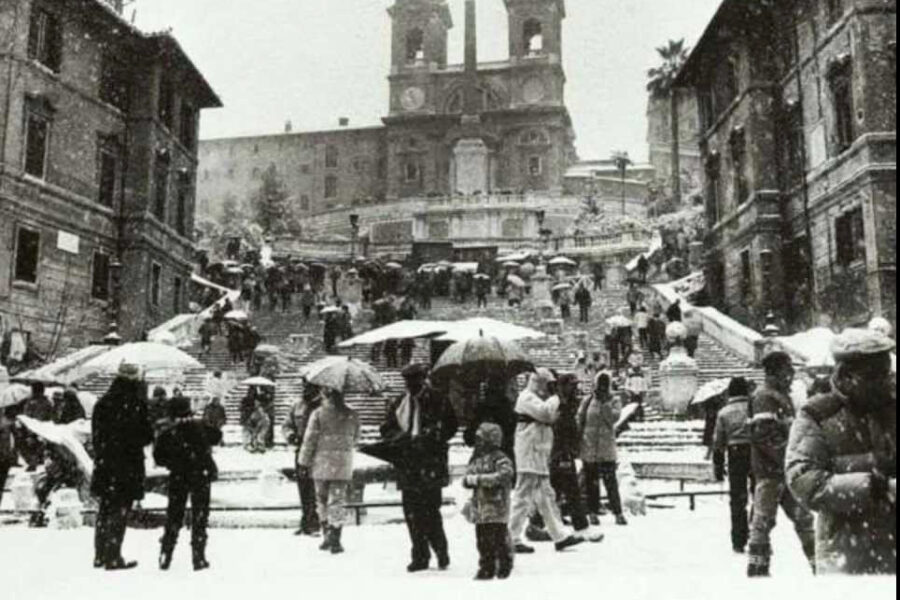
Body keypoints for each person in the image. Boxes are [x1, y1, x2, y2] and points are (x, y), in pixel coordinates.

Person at [786, 329, 896, 575]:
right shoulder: (818, 415)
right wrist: (873, 484)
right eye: (873, 376)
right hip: (846, 552)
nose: (885, 381)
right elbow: (804, 481)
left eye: (887, 372)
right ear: (846, 376)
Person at [380, 364, 458, 572]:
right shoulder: (400, 402)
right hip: (408, 462)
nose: (411, 385)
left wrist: (432, 436)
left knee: (431, 511)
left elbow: (451, 427)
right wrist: (399, 438)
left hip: (430, 462)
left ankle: (441, 550)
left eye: (415, 381)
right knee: (412, 513)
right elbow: (386, 428)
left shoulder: (438, 400)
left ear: (423, 379)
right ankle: (420, 555)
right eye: (408, 382)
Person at [746, 351, 815, 577]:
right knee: (763, 521)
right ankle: (757, 568)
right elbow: (764, 436)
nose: (792, 373)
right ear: (776, 371)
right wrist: (788, 458)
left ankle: (819, 563)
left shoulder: (780, 396)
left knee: (803, 518)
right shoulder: (765, 397)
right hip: (770, 472)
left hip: (784, 471)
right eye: (788, 369)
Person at [508, 369, 584, 554]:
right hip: (529, 453)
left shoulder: (537, 399)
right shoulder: (526, 398)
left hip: (538, 453)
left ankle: (559, 536)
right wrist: (557, 397)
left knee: (546, 496)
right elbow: (545, 414)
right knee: (522, 496)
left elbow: (550, 417)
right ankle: (511, 537)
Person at [91, 363, 153, 570]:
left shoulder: (103, 403)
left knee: (105, 507)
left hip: (105, 462)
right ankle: (113, 556)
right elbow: (145, 436)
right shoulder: (136, 404)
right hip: (127, 464)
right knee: (120, 509)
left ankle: (100, 554)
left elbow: (97, 436)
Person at [154, 395, 222, 571]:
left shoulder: (169, 431)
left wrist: (174, 459)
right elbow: (217, 435)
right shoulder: (200, 427)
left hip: (179, 475)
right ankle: (198, 556)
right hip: (201, 474)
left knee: (174, 515)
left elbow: (159, 457)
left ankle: (166, 553)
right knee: (200, 516)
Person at [298, 388, 360, 555]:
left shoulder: (318, 414)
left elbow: (309, 439)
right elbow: (356, 437)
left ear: (326, 396)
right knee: (338, 500)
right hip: (342, 464)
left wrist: (303, 462)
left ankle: (326, 533)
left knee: (322, 499)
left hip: (321, 463)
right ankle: (336, 535)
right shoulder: (352, 415)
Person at [551, 373, 604, 541]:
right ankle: (580, 526)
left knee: (556, 490)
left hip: (564, 451)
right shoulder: (558, 404)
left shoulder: (570, 403)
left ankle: (538, 522)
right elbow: (560, 429)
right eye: (572, 386)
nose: (575, 389)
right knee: (569, 489)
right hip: (560, 451)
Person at [463, 423, 515, 581]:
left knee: (499, 538)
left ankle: (504, 563)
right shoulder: (477, 459)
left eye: (481, 439)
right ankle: (486, 566)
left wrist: (479, 480)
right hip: (480, 508)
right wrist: (468, 480)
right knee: (483, 541)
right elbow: (468, 475)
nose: (478, 443)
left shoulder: (500, 458)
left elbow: (505, 476)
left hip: (496, 506)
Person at [578, 372, 627, 526]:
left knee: (610, 482)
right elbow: (580, 419)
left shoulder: (615, 400)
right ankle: (592, 512)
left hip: (606, 448)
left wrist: (605, 403)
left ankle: (617, 512)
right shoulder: (587, 401)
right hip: (589, 447)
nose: (602, 387)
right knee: (591, 483)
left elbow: (613, 418)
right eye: (600, 384)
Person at [713, 377, 754, 554]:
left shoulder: (724, 412)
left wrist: (718, 464)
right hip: (756, 452)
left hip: (735, 453)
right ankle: (757, 531)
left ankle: (738, 538)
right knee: (759, 494)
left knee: (737, 498)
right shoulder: (754, 408)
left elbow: (718, 441)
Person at [283, 382, 323, 536]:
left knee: (316, 488)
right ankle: (306, 521)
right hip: (300, 450)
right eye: (304, 387)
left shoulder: (324, 407)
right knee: (304, 487)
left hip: (318, 452)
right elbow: (286, 425)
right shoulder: (297, 406)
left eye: (309, 387)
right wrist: (291, 436)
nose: (305, 390)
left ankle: (315, 523)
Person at [0, 407, 18, 508]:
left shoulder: (8, 423)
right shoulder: (7, 423)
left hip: (4, 457)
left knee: (2, 482)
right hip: (4, 457)